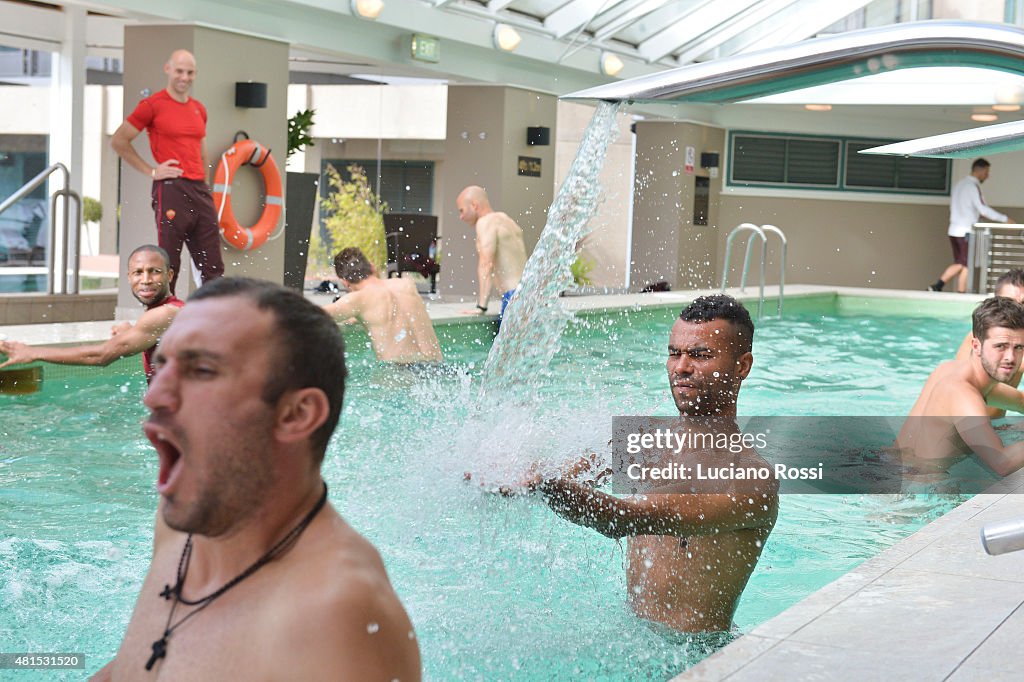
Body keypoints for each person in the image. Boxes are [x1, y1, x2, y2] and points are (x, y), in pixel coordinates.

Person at [91, 278, 420, 681]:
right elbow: (136, 666)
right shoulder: (184, 522)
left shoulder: (337, 615)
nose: (154, 395)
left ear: (296, 414)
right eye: (162, 365)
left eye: (203, 370)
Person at [518, 295, 779, 633]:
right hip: (632, 639)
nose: (681, 367)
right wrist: (504, 476)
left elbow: (621, 519)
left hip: (696, 658)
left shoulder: (750, 479)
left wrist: (542, 482)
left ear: (742, 366)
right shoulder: (643, 440)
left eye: (700, 355)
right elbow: (565, 472)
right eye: (675, 353)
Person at [111, 49, 225, 295]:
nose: (184, 77)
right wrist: (152, 171)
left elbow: (201, 152)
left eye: (190, 72)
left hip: (198, 188)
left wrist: (203, 183)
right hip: (171, 188)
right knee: (169, 260)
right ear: (168, 70)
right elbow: (119, 141)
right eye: (179, 71)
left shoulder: (199, 109)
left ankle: (215, 320)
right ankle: (160, 321)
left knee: (212, 264)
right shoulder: (152, 105)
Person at [0, 245, 182, 381]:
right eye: (138, 272)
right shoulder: (169, 312)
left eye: (155, 272)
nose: (146, 280)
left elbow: (101, 355)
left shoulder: (166, 314)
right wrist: (133, 331)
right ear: (129, 277)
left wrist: (32, 352)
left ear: (170, 275)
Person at [896, 296, 1024, 476]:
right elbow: (1001, 463)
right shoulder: (963, 395)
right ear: (976, 346)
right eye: (1000, 346)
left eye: (1018, 347)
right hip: (914, 495)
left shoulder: (951, 370)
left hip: (895, 469)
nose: (1010, 357)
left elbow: (1020, 401)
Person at [323, 247, 442, 363]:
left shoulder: (358, 300)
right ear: (372, 267)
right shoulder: (406, 284)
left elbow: (312, 315)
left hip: (402, 373)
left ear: (344, 282)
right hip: (438, 368)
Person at [929, 158, 1015, 294]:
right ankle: (937, 285)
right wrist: (1005, 219)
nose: (987, 176)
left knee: (965, 263)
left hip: (953, 229)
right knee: (962, 263)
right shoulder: (972, 186)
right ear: (979, 171)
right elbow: (982, 209)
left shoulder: (959, 185)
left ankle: (961, 292)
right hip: (965, 231)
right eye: (986, 172)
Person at [953, 269, 1024, 418]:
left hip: (998, 427)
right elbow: (962, 386)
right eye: (1008, 303)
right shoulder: (980, 339)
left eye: (1023, 304)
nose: (1017, 311)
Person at [456, 185, 527, 319]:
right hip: (530, 294)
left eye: (462, 210)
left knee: (508, 341)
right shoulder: (506, 220)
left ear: (474, 205)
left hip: (514, 297)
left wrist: (481, 307)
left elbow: (486, 264)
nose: (461, 216)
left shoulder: (485, 222)